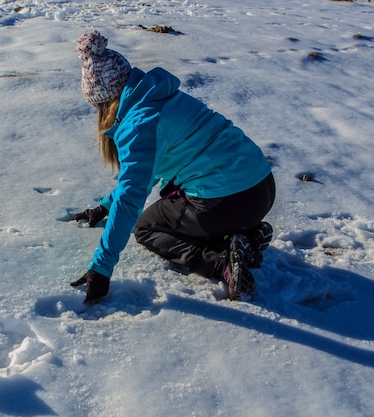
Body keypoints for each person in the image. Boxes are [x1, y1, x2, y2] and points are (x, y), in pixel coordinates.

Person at [70, 30, 276, 303]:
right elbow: (149, 168)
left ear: (105, 100)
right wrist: (106, 205)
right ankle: (246, 235)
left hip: (226, 201)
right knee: (176, 207)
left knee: (147, 229)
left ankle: (221, 261)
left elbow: (132, 196)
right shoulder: (160, 97)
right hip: (261, 188)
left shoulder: (138, 124)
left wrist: (102, 267)